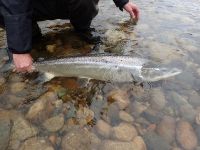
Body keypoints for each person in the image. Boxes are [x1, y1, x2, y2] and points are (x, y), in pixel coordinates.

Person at [0, 0, 139, 72]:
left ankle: (82, 31)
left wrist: (123, 2)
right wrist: (19, 49)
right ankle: (32, 39)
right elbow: (12, 3)